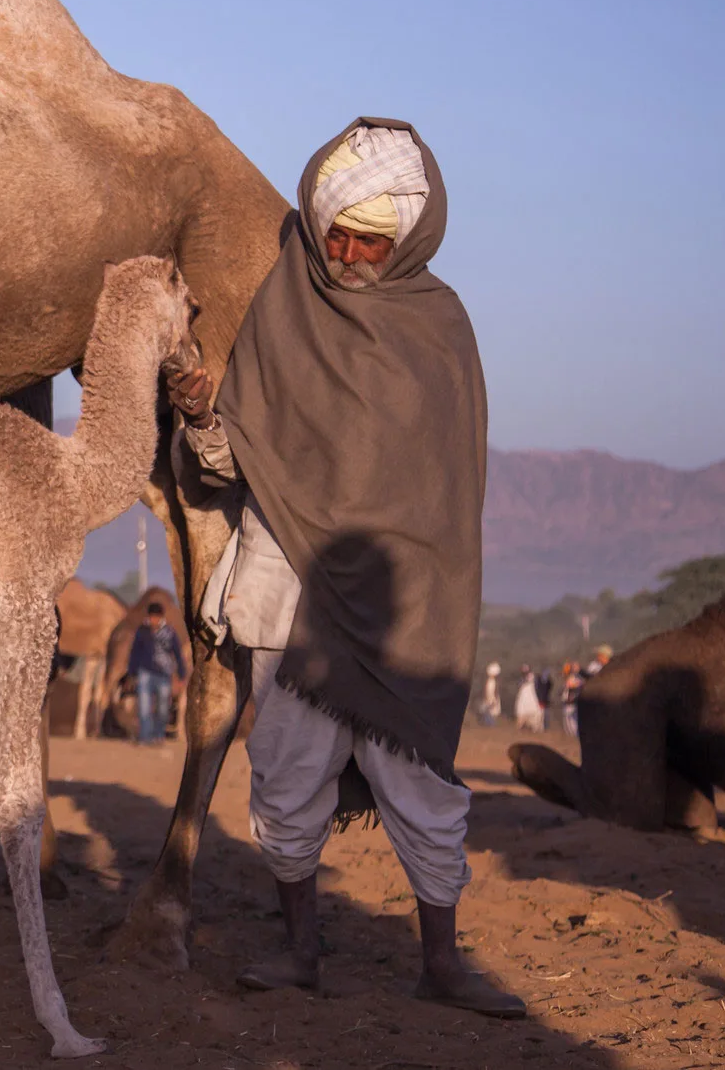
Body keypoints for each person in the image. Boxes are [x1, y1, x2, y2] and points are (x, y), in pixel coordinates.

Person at [170, 119, 522, 1017]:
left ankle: (440, 961)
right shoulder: (282, 314)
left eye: (372, 239)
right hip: (292, 595)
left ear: (409, 236)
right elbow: (227, 465)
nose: (351, 252)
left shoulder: (439, 328)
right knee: (286, 779)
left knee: (422, 787)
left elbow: (445, 489)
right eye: (339, 233)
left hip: (406, 608)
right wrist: (205, 414)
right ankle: (301, 950)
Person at [127, 600, 186, 745]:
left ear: (161, 617)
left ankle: (158, 736)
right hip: (145, 673)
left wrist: (181, 675)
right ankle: (145, 737)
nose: (154, 620)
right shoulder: (142, 631)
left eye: (156, 617)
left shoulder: (169, 633)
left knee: (162, 708)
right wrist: (131, 674)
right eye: (152, 617)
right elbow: (134, 653)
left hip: (163, 675)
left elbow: (177, 654)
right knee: (144, 707)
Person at [514, 666, 544, 732]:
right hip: (524, 697)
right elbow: (519, 684)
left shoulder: (532, 677)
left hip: (531, 697)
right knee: (522, 711)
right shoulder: (522, 680)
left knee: (534, 711)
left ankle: (534, 728)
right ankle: (522, 727)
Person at [478, 662, 502, 727]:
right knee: (489, 710)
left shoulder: (492, 681)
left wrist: (493, 698)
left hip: (491, 697)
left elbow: (493, 690)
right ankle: (489, 723)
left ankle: (489, 723)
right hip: (490, 697)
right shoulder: (491, 680)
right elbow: (488, 690)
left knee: (490, 710)